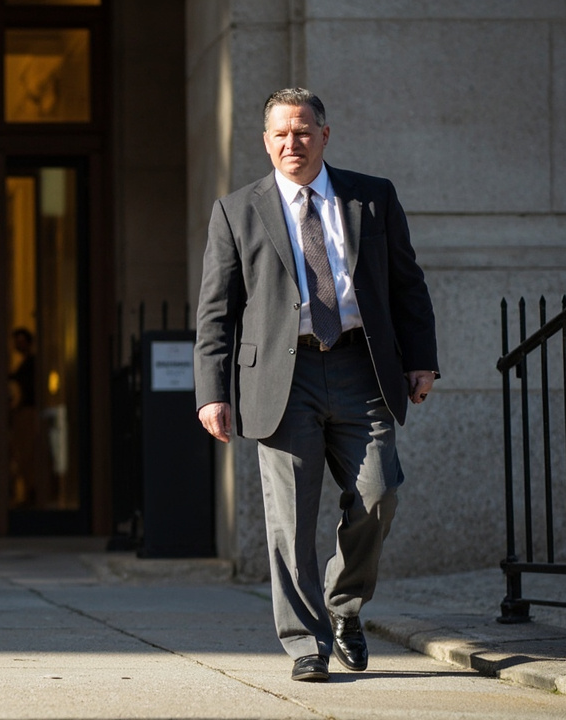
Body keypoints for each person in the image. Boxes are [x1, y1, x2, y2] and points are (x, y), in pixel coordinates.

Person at [193, 88, 438, 682]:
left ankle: (343, 603)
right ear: (265, 140)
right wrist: (212, 392)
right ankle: (306, 640)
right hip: (283, 376)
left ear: (325, 135)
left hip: (362, 368)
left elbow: (407, 283)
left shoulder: (372, 198)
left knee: (378, 494)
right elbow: (216, 311)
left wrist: (422, 358)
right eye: (279, 134)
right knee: (291, 521)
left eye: (302, 132)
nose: (291, 143)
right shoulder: (237, 210)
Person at [7, 327, 43, 507]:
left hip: (28, 412)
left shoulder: (32, 363)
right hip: (23, 411)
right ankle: (29, 492)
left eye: (21, 342)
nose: (18, 346)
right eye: (16, 342)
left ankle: (32, 493)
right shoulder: (26, 363)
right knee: (23, 455)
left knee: (27, 455)